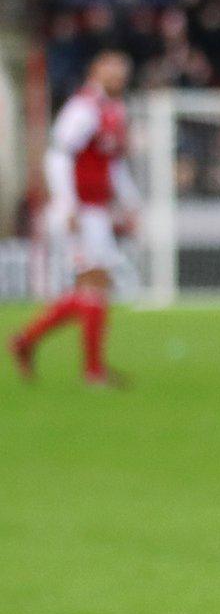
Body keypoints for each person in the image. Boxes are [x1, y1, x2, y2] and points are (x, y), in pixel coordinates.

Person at [10, 51, 138, 387]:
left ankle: (25, 340)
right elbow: (58, 155)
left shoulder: (115, 110)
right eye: (112, 70)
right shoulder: (83, 108)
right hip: (79, 210)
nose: (119, 76)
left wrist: (129, 202)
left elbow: (113, 163)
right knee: (95, 284)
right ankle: (93, 371)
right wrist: (67, 205)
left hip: (96, 209)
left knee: (94, 287)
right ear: (95, 70)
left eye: (122, 71)